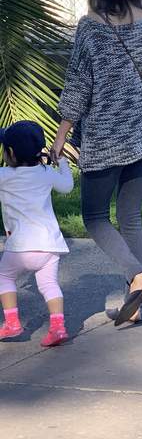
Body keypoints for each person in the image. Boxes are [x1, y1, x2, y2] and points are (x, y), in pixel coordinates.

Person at [52, 0, 142, 327]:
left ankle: (138, 278)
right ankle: (133, 305)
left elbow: (77, 86)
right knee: (130, 215)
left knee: (94, 217)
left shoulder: (90, 27)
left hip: (104, 138)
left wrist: (61, 135)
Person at [0, 121, 74, 346]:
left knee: (4, 278)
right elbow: (67, 187)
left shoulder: (3, 175)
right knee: (49, 285)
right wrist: (61, 162)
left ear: (10, 152)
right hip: (49, 246)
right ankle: (58, 327)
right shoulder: (46, 173)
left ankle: (12, 323)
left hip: (20, 247)